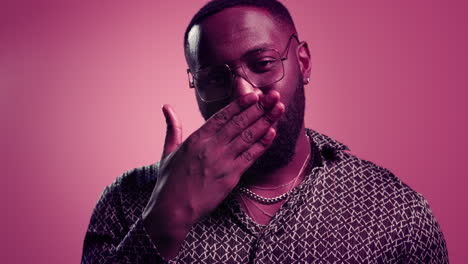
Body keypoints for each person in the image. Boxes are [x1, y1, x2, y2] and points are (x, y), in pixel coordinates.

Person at [81, 0, 448, 263]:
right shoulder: (126, 201)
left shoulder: (396, 213)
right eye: (213, 77)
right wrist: (166, 217)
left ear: (302, 63)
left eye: (263, 64)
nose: (245, 92)